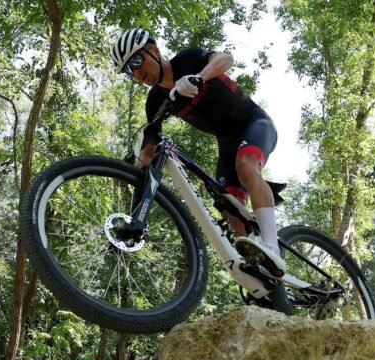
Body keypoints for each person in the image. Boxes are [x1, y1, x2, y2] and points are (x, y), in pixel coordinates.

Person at [111, 28, 285, 277]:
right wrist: (129, 177)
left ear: (155, 51)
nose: (137, 73)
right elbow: (147, 155)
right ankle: (262, 276)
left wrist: (199, 77)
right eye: (129, 71)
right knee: (229, 210)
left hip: (253, 123)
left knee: (246, 166)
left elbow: (225, 59)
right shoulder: (154, 102)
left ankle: (273, 248)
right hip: (226, 143)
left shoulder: (187, 60)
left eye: (136, 61)